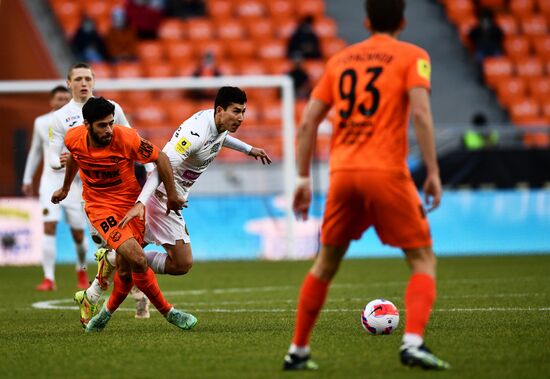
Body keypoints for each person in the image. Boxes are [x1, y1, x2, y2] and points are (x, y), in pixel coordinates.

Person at [282, 0, 450, 371]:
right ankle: (413, 343)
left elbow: (309, 122)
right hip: (387, 172)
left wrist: (303, 180)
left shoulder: (340, 61)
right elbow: (420, 113)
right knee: (422, 259)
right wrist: (434, 172)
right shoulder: (413, 56)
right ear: (403, 21)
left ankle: (298, 350)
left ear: (366, 21)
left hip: (343, 174)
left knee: (324, 264)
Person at [74, 87, 272, 327]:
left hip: (169, 198)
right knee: (180, 264)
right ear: (220, 110)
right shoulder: (195, 133)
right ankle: (116, 269)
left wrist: (248, 149)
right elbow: (161, 165)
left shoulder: (216, 124)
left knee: (131, 265)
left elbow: (221, 138)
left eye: (243, 112)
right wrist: (143, 203)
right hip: (160, 200)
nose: (241, 117)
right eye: (236, 112)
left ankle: (103, 278)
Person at [51, 97, 196, 333]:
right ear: (87, 124)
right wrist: (66, 188)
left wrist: (171, 194)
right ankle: (169, 312)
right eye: (102, 125)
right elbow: (75, 158)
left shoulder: (126, 138)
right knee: (137, 258)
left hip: (130, 206)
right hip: (100, 208)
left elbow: (161, 158)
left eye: (110, 123)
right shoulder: (73, 138)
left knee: (127, 269)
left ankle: (98, 304)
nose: (108, 129)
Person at [49, 62, 149, 319]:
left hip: (124, 189)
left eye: (88, 78)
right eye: (78, 79)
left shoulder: (112, 108)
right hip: (92, 195)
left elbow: (130, 138)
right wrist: (58, 165)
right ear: (69, 83)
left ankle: (118, 292)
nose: (84, 83)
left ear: (93, 81)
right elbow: (54, 154)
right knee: (116, 245)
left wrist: (145, 178)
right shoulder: (60, 118)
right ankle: (134, 290)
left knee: (128, 245)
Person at [21, 86, 89, 291]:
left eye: (66, 99)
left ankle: (82, 270)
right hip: (49, 181)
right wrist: (27, 178)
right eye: (59, 99)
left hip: (74, 183)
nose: (62, 102)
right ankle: (49, 278)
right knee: (48, 227)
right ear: (51, 102)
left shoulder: (79, 122)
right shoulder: (41, 123)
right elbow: (35, 151)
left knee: (78, 233)